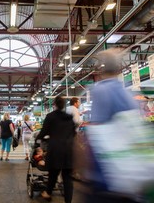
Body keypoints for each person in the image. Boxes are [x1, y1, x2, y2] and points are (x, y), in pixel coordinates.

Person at [85, 48, 138, 203]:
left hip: (105, 174)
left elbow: (95, 131)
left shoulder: (100, 90)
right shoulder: (129, 95)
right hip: (131, 175)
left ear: (101, 69)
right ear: (120, 68)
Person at [36, 96, 76, 202]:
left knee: (53, 173)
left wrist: (38, 139)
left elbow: (43, 132)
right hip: (68, 150)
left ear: (55, 104)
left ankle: (48, 193)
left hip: (56, 150)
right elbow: (74, 133)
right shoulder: (69, 117)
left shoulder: (50, 116)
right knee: (67, 178)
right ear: (64, 105)